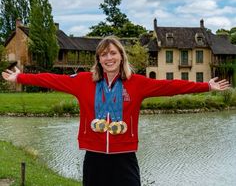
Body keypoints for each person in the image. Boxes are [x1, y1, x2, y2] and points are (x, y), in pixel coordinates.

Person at [2, 36, 230, 186]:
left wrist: (205, 86)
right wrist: (20, 76)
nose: (108, 58)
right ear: (98, 59)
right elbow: (51, 79)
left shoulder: (137, 83)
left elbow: (171, 87)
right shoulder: (83, 81)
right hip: (94, 156)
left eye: (112, 53)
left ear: (121, 56)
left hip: (125, 157)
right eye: (103, 54)